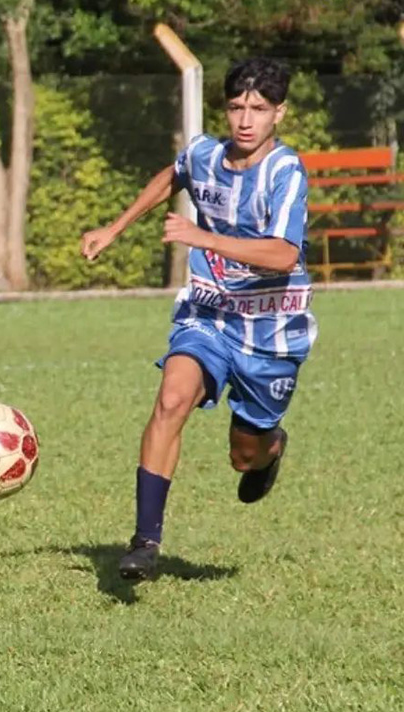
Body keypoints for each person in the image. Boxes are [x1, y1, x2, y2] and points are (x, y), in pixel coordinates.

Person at [80, 58, 315, 580]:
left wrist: (203, 237)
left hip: (270, 330)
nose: (245, 120)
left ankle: (270, 447)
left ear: (280, 113)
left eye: (258, 109)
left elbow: (282, 254)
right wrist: (115, 228)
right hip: (208, 313)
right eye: (236, 107)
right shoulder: (206, 154)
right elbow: (175, 174)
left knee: (242, 455)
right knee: (171, 399)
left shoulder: (285, 171)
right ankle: (144, 540)